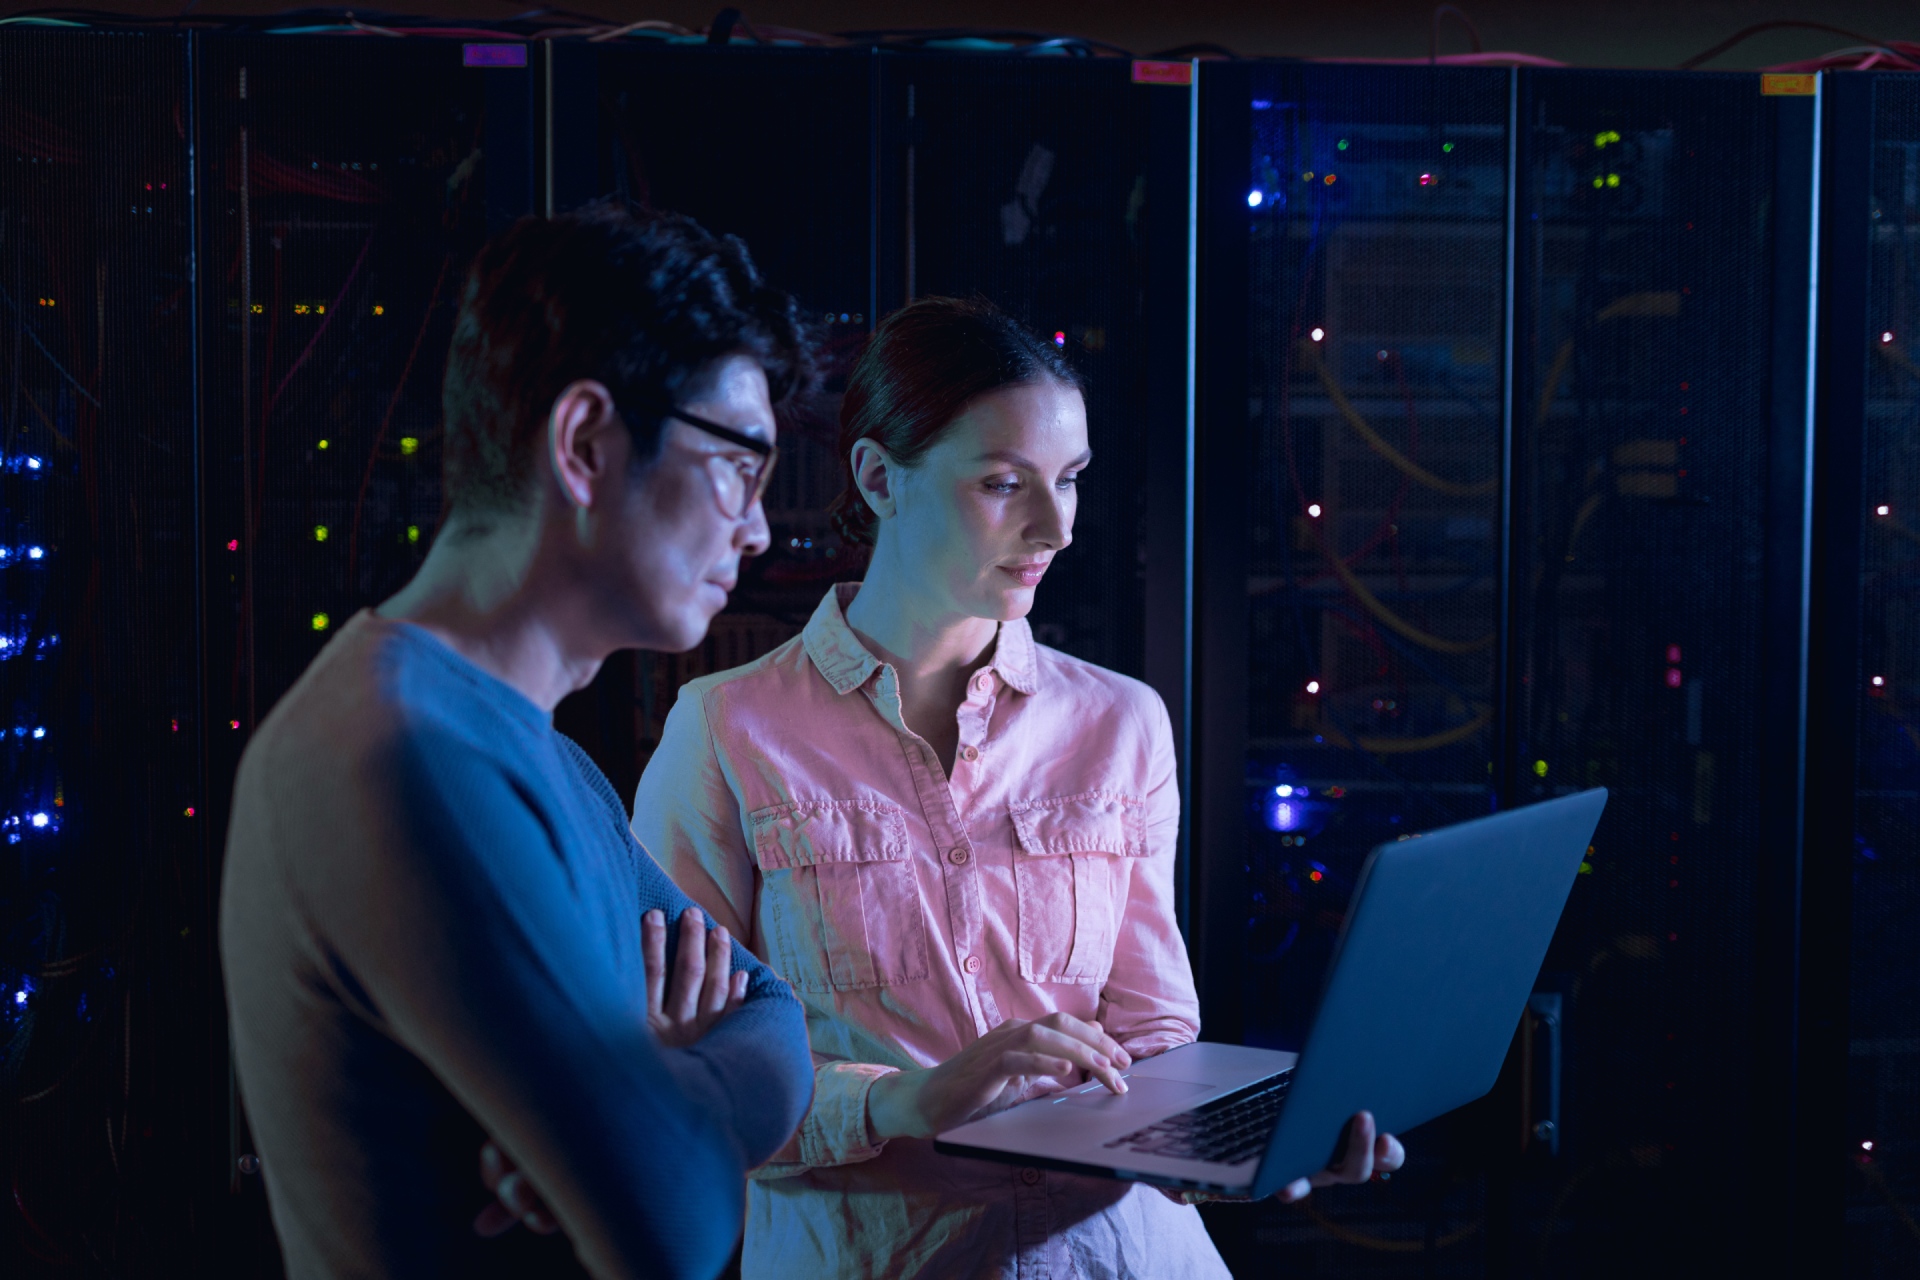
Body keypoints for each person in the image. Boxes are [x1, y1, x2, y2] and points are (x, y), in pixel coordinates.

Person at [627, 296, 1405, 1278]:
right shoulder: (728, 729)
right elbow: (681, 1086)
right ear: (879, 478)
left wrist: (1249, 1148)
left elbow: (1156, 1036)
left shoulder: (1122, 721)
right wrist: (904, 1100)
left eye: (1070, 479)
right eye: (1003, 482)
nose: (1054, 527)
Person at [219, 204, 816, 1280]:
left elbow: (783, 1024)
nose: (760, 527)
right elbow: (675, 1218)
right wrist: (658, 1104)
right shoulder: (403, 756)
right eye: (740, 465)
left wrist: (653, 1098)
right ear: (586, 442)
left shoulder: (547, 761)